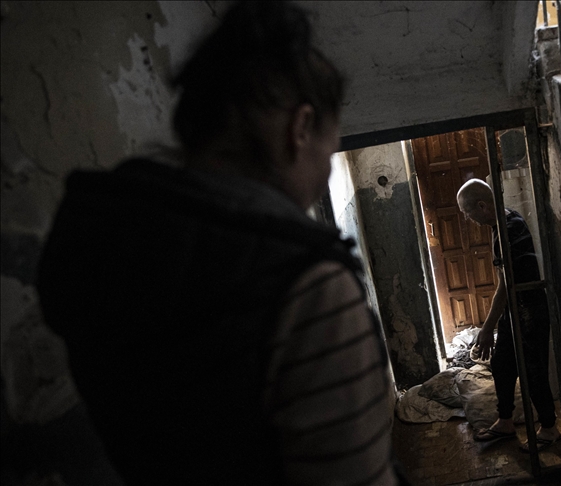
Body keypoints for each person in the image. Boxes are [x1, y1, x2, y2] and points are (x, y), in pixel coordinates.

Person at [36, 2, 399, 484]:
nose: (322, 176)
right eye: (328, 152)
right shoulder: (310, 289)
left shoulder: (101, 240)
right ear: (300, 129)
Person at [457, 178, 561, 452]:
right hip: (515, 309)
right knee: (502, 364)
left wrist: (486, 328)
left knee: (533, 371)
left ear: (482, 206)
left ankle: (549, 428)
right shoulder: (502, 223)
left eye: (468, 212)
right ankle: (505, 421)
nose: (468, 219)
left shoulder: (509, 229)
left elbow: (506, 285)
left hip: (529, 310)